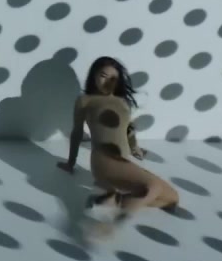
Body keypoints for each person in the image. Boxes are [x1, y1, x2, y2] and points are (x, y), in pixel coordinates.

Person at [57, 57, 179, 237]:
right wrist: (70, 163)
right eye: (103, 76)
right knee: (153, 186)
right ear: (93, 76)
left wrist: (135, 148)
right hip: (105, 160)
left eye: (113, 78)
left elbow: (128, 129)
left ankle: (116, 199)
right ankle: (114, 223)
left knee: (172, 198)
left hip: (122, 161)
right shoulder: (86, 100)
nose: (107, 82)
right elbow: (77, 132)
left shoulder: (123, 102)